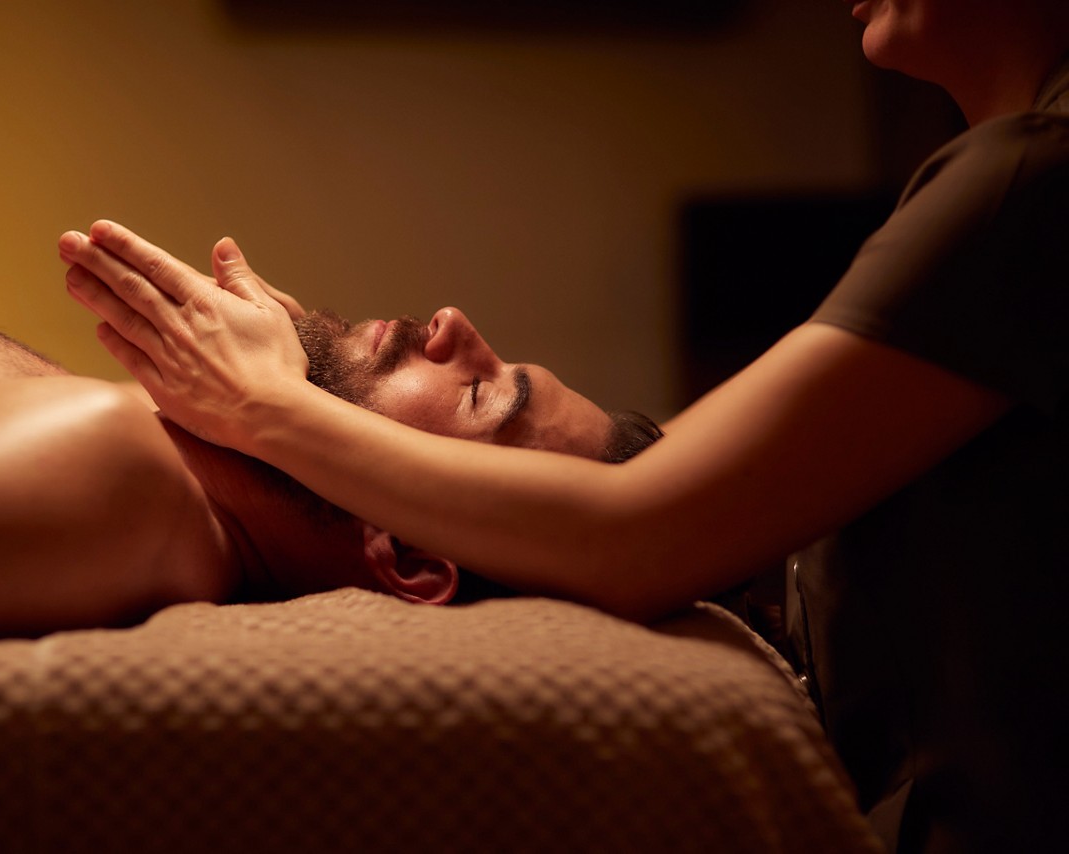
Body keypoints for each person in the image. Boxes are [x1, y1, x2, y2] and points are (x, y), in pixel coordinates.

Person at [60, 1, 1069, 850]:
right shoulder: (1001, 181)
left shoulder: (1035, 182)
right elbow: (686, 466)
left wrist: (269, 406)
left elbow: (643, 523)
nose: (450, 319)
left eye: (492, 397)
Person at [0, 275, 659, 640]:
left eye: (482, 393)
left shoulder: (117, 476)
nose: (453, 326)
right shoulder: (160, 471)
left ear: (411, 554)